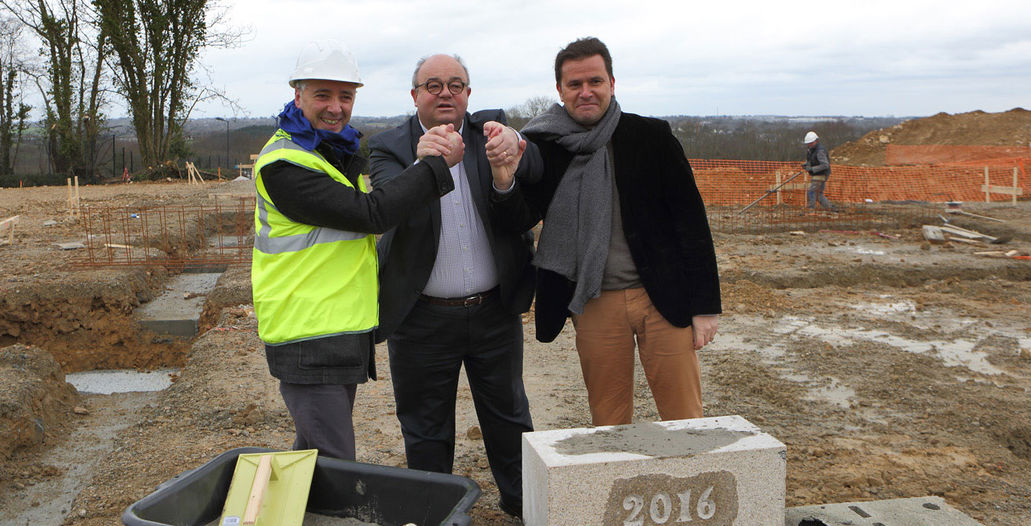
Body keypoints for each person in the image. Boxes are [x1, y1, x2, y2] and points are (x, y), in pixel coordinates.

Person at [492, 37, 721, 428]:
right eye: (575, 84)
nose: (586, 92)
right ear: (560, 90)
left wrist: (705, 306)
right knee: (609, 423)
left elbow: (691, 222)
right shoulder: (547, 146)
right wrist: (502, 180)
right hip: (594, 301)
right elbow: (520, 219)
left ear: (611, 84)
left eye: (595, 81)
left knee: (686, 419)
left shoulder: (651, 137)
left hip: (663, 298)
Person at [251, 40, 461, 460]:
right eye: (322, 95)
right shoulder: (285, 165)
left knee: (312, 456)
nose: (335, 107)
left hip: (332, 332)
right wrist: (435, 166)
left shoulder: (326, 153)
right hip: (308, 335)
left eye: (345, 96)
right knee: (334, 461)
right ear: (298, 95)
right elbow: (372, 213)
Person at [368, 54, 540, 519]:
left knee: (510, 419)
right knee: (426, 430)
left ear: (468, 93)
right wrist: (427, 167)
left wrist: (515, 146)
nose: (446, 93)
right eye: (433, 85)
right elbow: (388, 207)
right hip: (421, 319)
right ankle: (435, 512)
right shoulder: (390, 147)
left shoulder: (492, 131)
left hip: (493, 313)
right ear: (415, 95)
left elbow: (535, 168)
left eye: (456, 84)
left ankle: (523, 504)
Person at [803, 131, 834, 210]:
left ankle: (810, 209)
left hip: (822, 174)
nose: (809, 145)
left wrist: (812, 169)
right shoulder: (810, 150)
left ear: (816, 141)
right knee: (818, 194)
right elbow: (811, 160)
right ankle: (831, 208)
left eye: (810, 143)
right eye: (808, 143)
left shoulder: (820, 151)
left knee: (811, 191)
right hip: (816, 173)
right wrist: (807, 164)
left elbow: (825, 165)